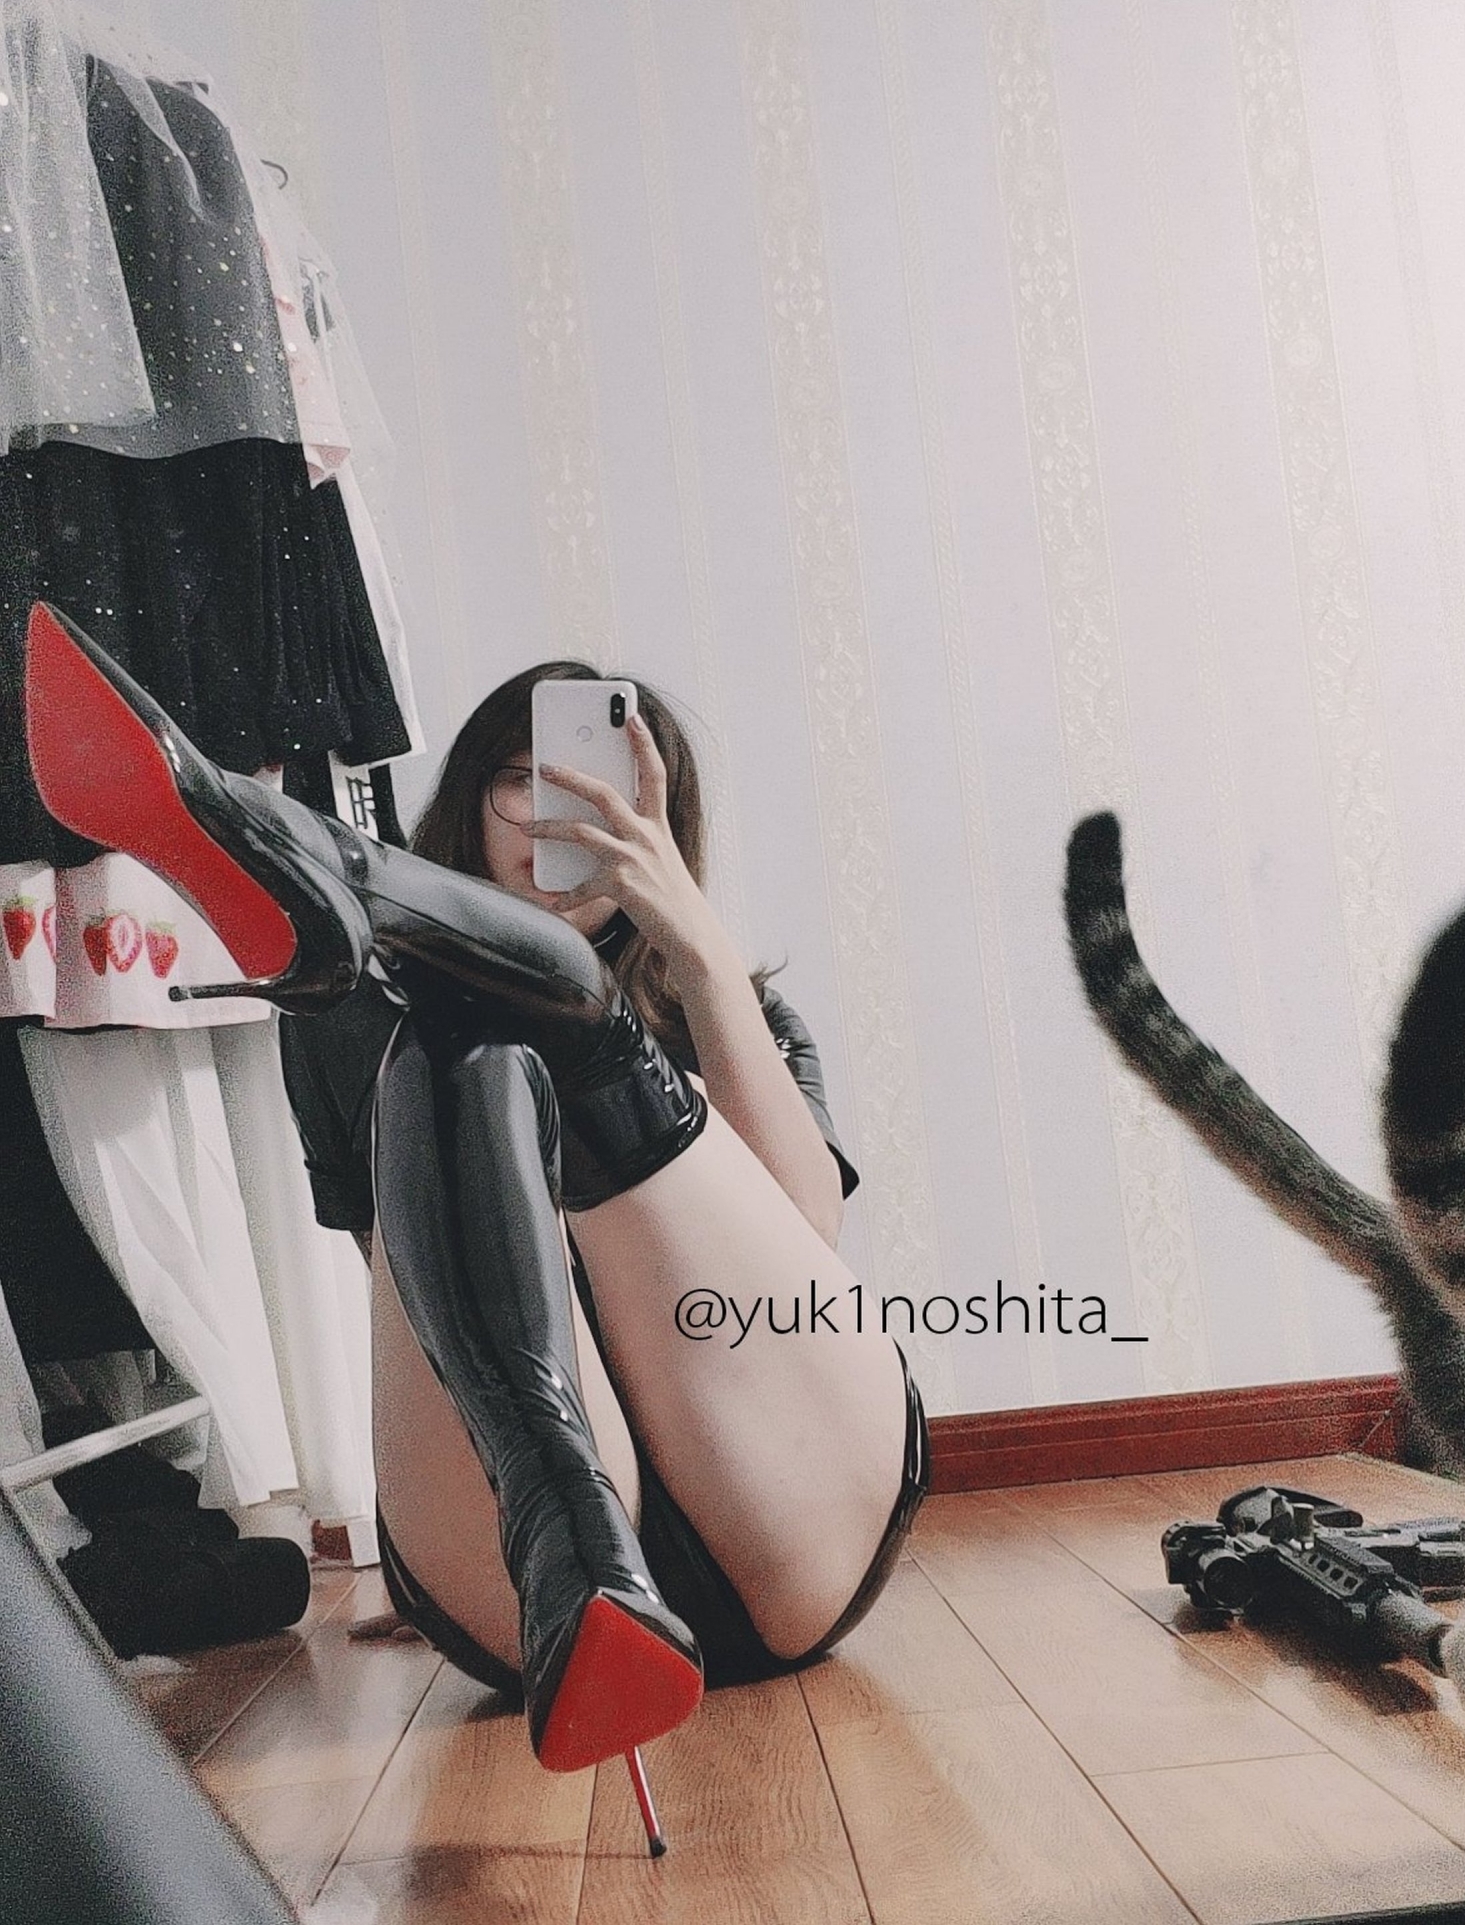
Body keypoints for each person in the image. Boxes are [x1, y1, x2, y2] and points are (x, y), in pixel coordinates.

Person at [24, 610, 928, 1821]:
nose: (558, 812)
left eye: (602, 783)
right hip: (519, 1596)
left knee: (526, 1021)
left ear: (662, 820)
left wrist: (703, 957)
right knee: (454, 1039)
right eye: (520, 777)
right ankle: (569, 1536)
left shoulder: (742, 1013)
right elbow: (393, 1284)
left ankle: (340, 872)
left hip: (789, 1506)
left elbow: (801, 1248)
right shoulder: (347, 1028)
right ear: (470, 797)